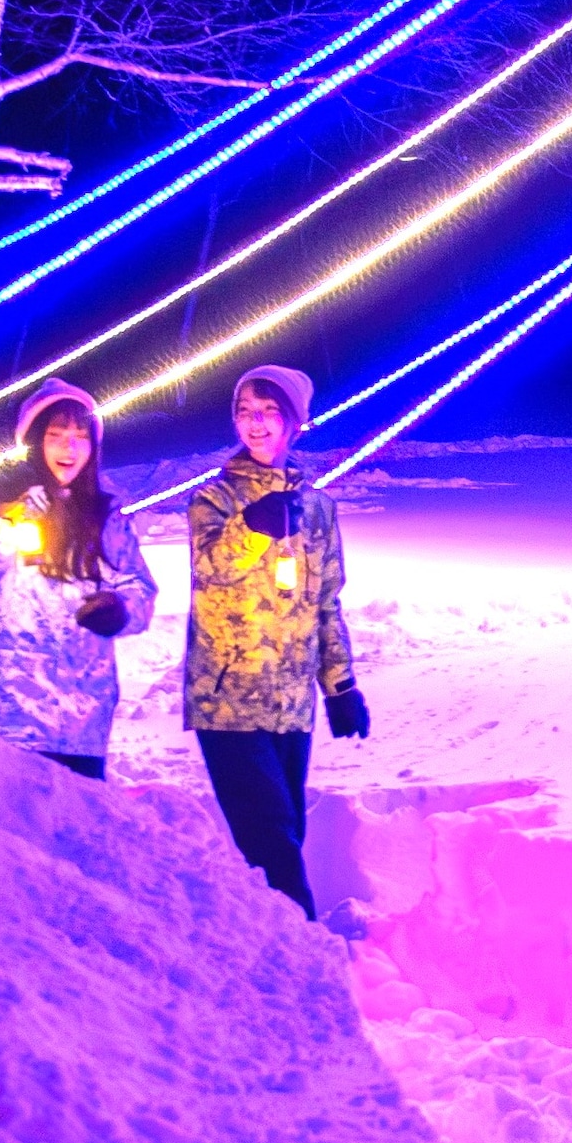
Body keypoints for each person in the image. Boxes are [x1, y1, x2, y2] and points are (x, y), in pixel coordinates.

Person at [176, 361, 366, 917]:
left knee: (287, 834)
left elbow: (325, 602)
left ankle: (267, 948)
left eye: (268, 412)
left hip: (291, 704)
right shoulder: (213, 501)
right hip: (227, 702)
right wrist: (250, 529)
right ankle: (303, 960)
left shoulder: (319, 510)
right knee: (272, 846)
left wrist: (340, 687)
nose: (255, 424)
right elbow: (210, 571)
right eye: (245, 412)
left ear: (295, 423)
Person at [0, 378, 154, 777]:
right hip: (10, 704)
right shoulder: (10, 505)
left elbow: (139, 587)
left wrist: (119, 611)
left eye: (80, 435)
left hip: (82, 714)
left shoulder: (107, 515)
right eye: (55, 434)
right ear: (34, 441)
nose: (69, 447)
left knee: (74, 828)